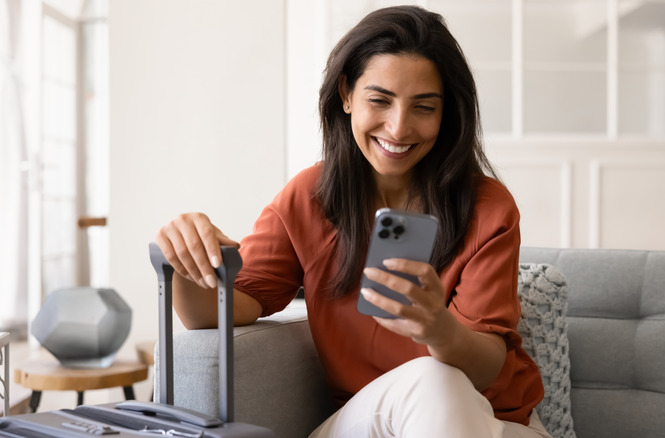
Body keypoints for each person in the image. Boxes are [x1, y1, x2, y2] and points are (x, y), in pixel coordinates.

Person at [155, 5, 550, 438]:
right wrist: (182, 258)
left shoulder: (488, 207)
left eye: (424, 106)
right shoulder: (308, 197)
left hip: (497, 423)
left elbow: (488, 365)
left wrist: (441, 330)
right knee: (433, 378)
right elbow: (216, 312)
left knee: (444, 378)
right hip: (368, 423)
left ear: (447, 112)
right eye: (380, 100)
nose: (398, 128)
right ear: (346, 94)